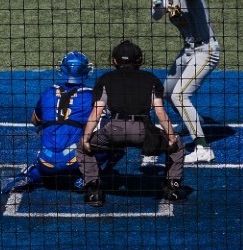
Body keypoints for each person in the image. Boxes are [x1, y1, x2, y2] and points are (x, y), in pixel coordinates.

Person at [77, 39, 187, 207]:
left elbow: (96, 113)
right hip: (143, 131)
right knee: (177, 146)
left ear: (114, 61)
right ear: (139, 60)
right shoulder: (151, 79)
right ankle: (172, 188)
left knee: (82, 148)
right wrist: (171, 137)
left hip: (113, 130)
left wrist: (85, 139)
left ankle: (93, 191)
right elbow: (160, 113)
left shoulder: (105, 79)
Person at [0, 51, 122, 194]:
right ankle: (89, 178)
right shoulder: (93, 95)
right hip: (74, 161)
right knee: (118, 134)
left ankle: (31, 176)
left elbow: (35, 120)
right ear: (86, 71)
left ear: (62, 69)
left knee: (52, 141)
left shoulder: (48, 92)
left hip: (45, 161)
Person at [151, 0, 221, 163]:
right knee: (167, 91)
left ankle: (203, 148)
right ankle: (190, 122)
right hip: (189, 51)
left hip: (206, 51)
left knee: (180, 96)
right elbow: (157, 16)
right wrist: (156, 1)